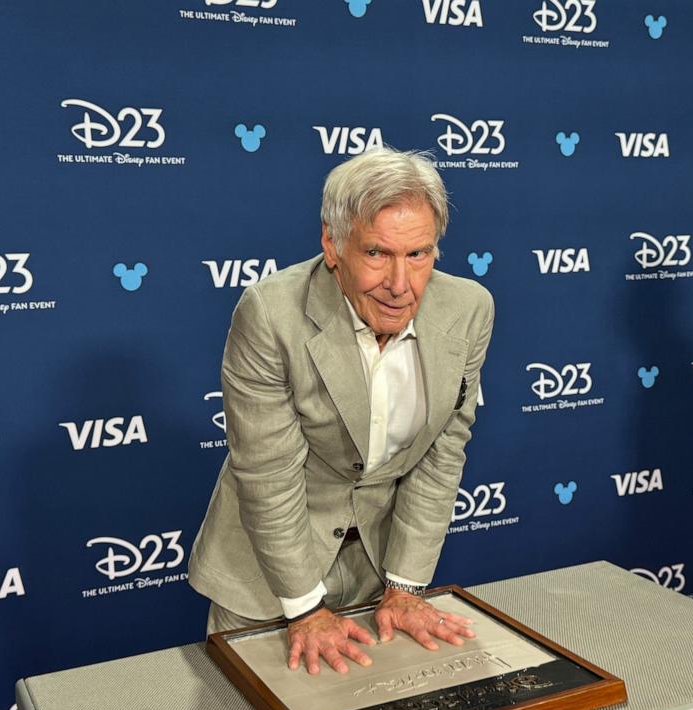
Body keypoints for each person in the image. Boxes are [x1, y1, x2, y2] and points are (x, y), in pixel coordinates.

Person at [186, 146, 495, 675]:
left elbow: (442, 456)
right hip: (267, 576)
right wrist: (305, 609)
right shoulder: (270, 313)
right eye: (377, 253)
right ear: (333, 244)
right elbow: (267, 473)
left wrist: (403, 587)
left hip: (379, 564)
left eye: (419, 255)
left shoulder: (469, 310)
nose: (401, 285)